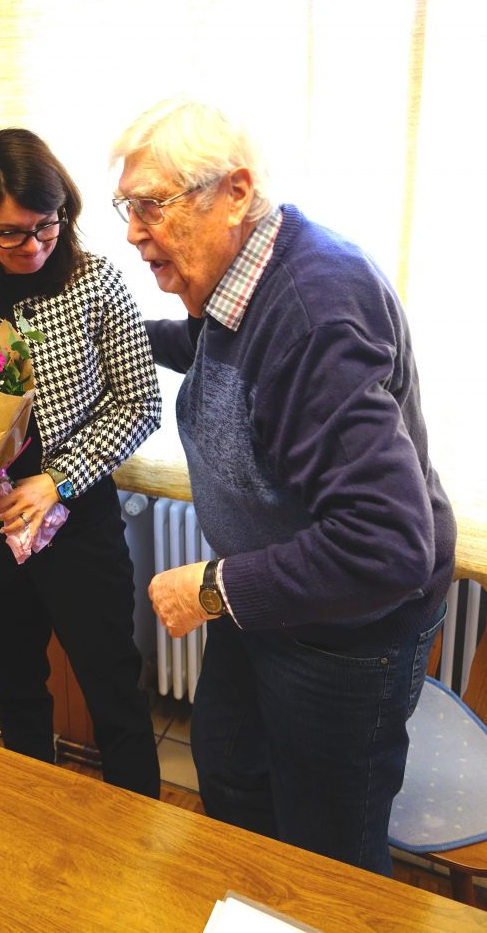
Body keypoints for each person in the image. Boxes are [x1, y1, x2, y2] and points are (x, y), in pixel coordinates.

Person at [110, 97, 456, 872]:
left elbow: (387, 545)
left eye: (152, 206)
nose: (133, 232)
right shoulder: (245, 272)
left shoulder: (312, 312)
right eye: (126, 208)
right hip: (267, 601)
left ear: (234, 192)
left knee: (329, 848)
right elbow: (214, 337)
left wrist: (211, 586)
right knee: (231, 766)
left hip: (348, 631)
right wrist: (120, 336)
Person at [0, 128, 161, 798]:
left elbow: (139, 404)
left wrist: (57, 478)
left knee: (112, 688)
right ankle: (34, 825)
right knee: (15, 689)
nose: (33, 246)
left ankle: (137, 844)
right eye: (11, 234)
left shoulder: (96, 284)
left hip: (78, 520)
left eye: (47, 226)